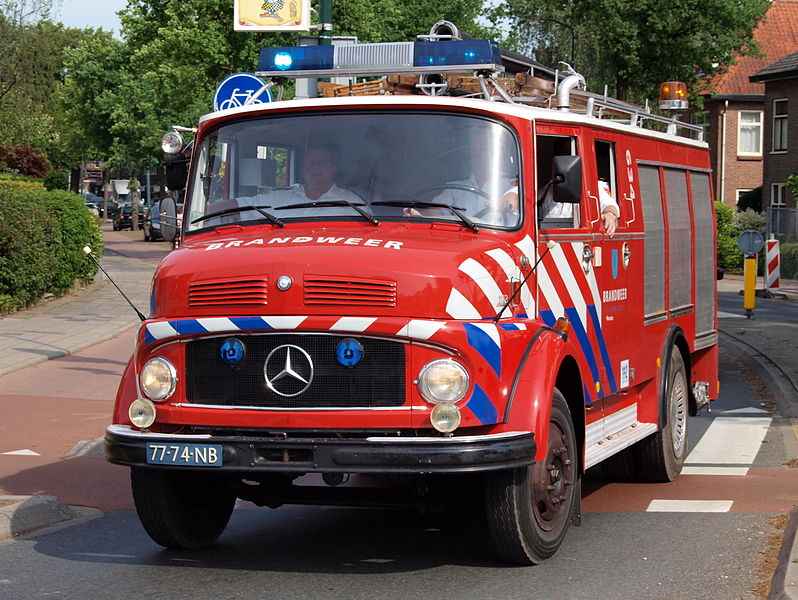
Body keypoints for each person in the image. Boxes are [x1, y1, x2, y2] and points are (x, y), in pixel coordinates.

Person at [268, 146, 361, 214]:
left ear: (334, 168)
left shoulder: (352, 203)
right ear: (303, 169)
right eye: (311, 163)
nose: (316, 167)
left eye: (322, 162)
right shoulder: (278, 199)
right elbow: (253, 210)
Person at [538, 176, 619, 237]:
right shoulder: (548, 189)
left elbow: (609, 204)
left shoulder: (592, 186)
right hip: (549, 240)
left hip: (576, 241)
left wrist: (610, 215)